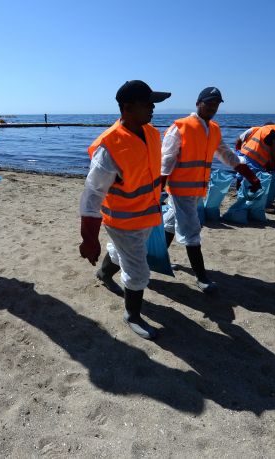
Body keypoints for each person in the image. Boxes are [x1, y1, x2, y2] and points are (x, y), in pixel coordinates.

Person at [79, 80, 170, 340]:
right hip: (122, 220)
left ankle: (104, 272)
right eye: (147, 103)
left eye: (154, 103)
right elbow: (92, 196)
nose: (153, 108)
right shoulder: (109, 148)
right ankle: (132, 314)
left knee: (126, 254)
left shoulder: (151, 133)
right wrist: (88, 239)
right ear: (127, 108)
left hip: (148, 213)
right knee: (139, 270)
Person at [160, 87, 262, 292]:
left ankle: (157, 259)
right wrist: (157, 190)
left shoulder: (213, 129)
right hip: (180, 189)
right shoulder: (180, 127)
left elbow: (226, 154)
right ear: (199, 103)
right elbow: (165, 161)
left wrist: (249, 175)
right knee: (192, 231)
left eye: (216, 104)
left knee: (170, 223)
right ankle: (202, 277)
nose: (213, 107)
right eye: (209, 103)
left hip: (197, 190)